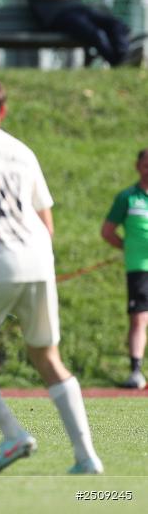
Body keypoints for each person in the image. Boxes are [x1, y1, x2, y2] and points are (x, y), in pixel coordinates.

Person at [0, 76, 102, 474]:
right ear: (3, 111)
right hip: (38, 255)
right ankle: (86, 457)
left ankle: (13, 435)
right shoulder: (23, 151)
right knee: (47, 356)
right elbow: (47, 220)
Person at [100, 148, 148, 390]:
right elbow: (107, 232)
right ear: (138, 166)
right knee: (139, 318)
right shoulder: (128, 197)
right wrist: (128, 249)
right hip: (139, 267)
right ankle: (136, 371)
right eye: (146, 164)